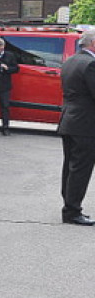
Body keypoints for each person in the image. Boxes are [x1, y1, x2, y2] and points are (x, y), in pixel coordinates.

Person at [58, 30, 95, 226]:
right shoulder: (90, 64)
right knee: (80, 168)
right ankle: (72, 211)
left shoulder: (71, 61)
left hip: (69, 120)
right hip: (85, 124)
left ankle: (69, 204)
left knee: (70, 167)